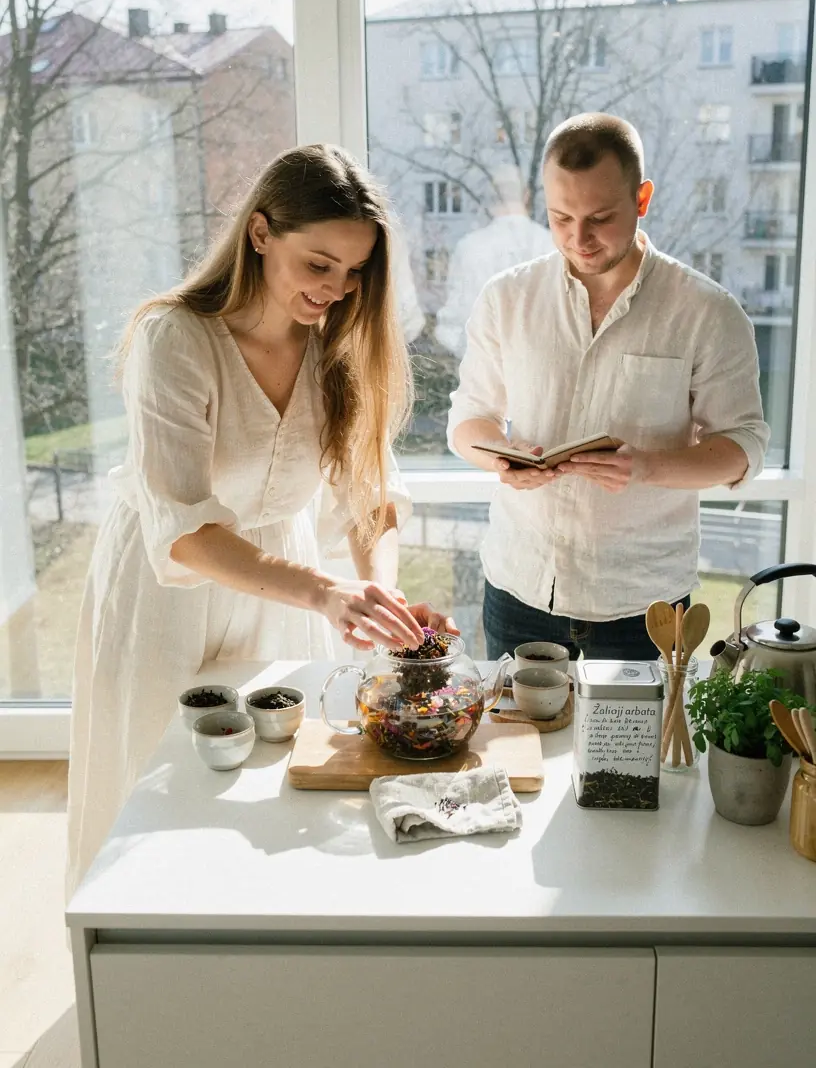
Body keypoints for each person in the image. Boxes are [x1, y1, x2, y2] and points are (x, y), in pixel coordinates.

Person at [67, 144, 454, 895]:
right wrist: (326, 592)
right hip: (165, 586)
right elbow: (185, 533)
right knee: (151, 784)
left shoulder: (335, 348)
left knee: (272, 791)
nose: (336, 289)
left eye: (354, 271)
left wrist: (382, 599)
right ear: (259, 233)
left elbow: (370, 499)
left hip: (279, 590)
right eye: (319, 264)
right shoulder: (175, 338)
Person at [447, 114, 769, 662]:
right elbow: (467, 421)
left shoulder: (708, 312)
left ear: (642, 199)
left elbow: (744, 446)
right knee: (514, 726)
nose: (580, 239)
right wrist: (501, 457)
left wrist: (647, 468)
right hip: (519, 587)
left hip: (646, 604)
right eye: (560, 217)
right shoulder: (507, 298)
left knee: (646, 728)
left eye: (600, 218)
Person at [435, 164, 554, 359]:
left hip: (484, 366)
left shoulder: (470, 248)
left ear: (490, 200)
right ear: (526, 195)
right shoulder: (552, 245)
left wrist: (475, 360)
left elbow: (454, 323)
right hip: (543, 366)